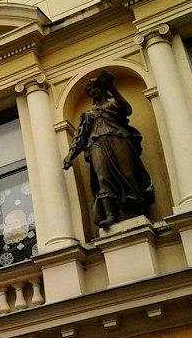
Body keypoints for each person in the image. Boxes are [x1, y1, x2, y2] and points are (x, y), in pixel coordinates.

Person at [63, 71, 154, 229]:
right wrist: (70, 156)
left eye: (96, 86)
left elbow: (126, 109)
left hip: (118, 138)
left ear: (103, 88)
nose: (92, 90)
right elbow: (80, 137)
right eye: (89, 89)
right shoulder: (88, 115)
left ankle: (138, 209)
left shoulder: (112, 105)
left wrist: (112, 87)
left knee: (128, 174)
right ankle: (110, 214)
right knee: (102, 178)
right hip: (96, 144)